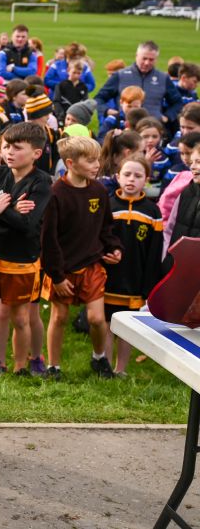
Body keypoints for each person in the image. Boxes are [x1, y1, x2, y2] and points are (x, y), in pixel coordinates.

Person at [40, 136, 123, 380]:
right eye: (90, 161)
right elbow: (48, 239)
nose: (97, 165)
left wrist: (114, 247)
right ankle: (53, 367)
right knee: (60, 316)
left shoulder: (98, 190)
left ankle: (99, 358)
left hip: (91, 265)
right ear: (70, 163)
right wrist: (56, 276)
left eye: (97, 160)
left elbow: (106, 227)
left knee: (97, 319)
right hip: (62, 270)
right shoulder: (55, 194)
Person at [0, 123, 52, 376]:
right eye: (6, 146)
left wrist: (0, 208)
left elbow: (28, 226)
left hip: (22, 261)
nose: (9, 152)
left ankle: (22, 364)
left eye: (17, 148)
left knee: (21, 317)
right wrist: (8, 210)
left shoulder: (41, 183)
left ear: (36, 154)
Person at [103, 154, 163, 375]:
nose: (131, 179)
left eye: (138, 176)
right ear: (117, 177)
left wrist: (149, 287)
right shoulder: (108, 204)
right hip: (108, 277)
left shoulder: (152, 212)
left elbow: (154, 252)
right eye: (127, 174)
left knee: (127, 328)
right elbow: (98, 238)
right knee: (107, 323)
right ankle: (106, 366)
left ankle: (121, 368)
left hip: (135, 279)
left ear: (146, 179)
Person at [95, 41, 182, 123]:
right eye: (144, 58)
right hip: (125, 128)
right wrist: (108, 111)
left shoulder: (163, 78)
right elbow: (99, 98)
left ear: (156, 59)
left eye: (151, 59)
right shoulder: (120, 75)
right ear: (136, 56)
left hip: (152, 129)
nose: (147, 62)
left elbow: (178, 102)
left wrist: (167, 117)